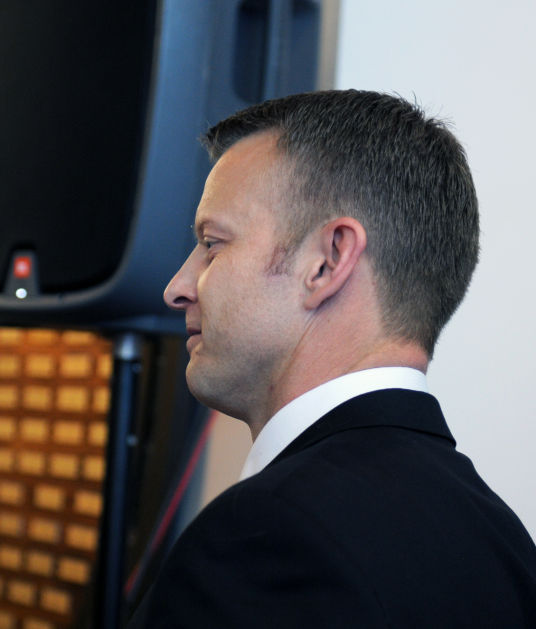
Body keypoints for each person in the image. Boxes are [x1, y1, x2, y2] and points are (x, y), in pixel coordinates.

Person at [128, 90, 536, 628]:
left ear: (327, 263)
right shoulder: (503, 539)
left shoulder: (265, 539)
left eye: (212, 243)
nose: (177, 288)